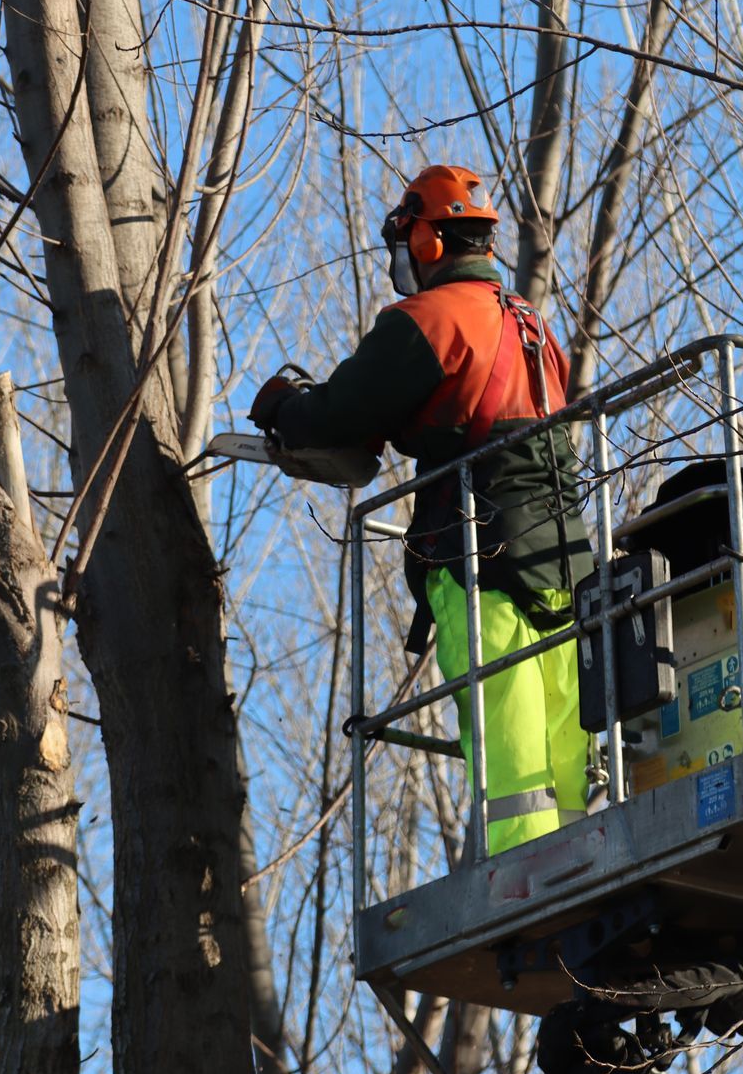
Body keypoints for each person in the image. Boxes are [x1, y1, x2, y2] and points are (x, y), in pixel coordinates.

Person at [249, 164, 594, 856]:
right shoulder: (533, 324)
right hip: (566, 554)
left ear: (428, 241)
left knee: (508, 730)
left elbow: (341, 413)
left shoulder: (429, 320)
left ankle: (523, 877)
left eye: (405, 243)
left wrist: (285, 409)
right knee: (564, 723)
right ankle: (580, 856)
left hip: (480, 553)